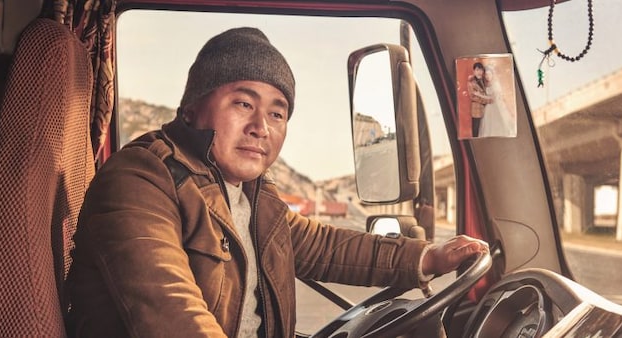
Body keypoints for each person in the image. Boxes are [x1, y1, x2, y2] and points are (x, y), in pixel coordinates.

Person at [66, 27, 488, 338]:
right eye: (243, 103)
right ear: (192, 108)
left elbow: (325, 246)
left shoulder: (250, 194)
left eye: (277, 113)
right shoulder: (140, 178)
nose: (260, 128)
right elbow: (170, 313)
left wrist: (428, 257)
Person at [477, 65, 517, 138]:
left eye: (489, 74)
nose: (487, 76)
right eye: (486, 74)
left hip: (497, 107)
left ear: (492, 74)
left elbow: (492, 98)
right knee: (489, 126)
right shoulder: (486, 85)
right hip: (489, 107)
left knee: (500, 123)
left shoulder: (496, 84)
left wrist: (479, 95)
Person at [466, 62, 493, 137]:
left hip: (486, 110)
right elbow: (473, 97)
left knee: (484, 130)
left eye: (481, 70)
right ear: (474, 71)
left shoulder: (484, 80)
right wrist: (488, 101)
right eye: (477, 70)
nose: (479, 72)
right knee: (476, 130)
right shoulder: (471, 82)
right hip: (476, 110)